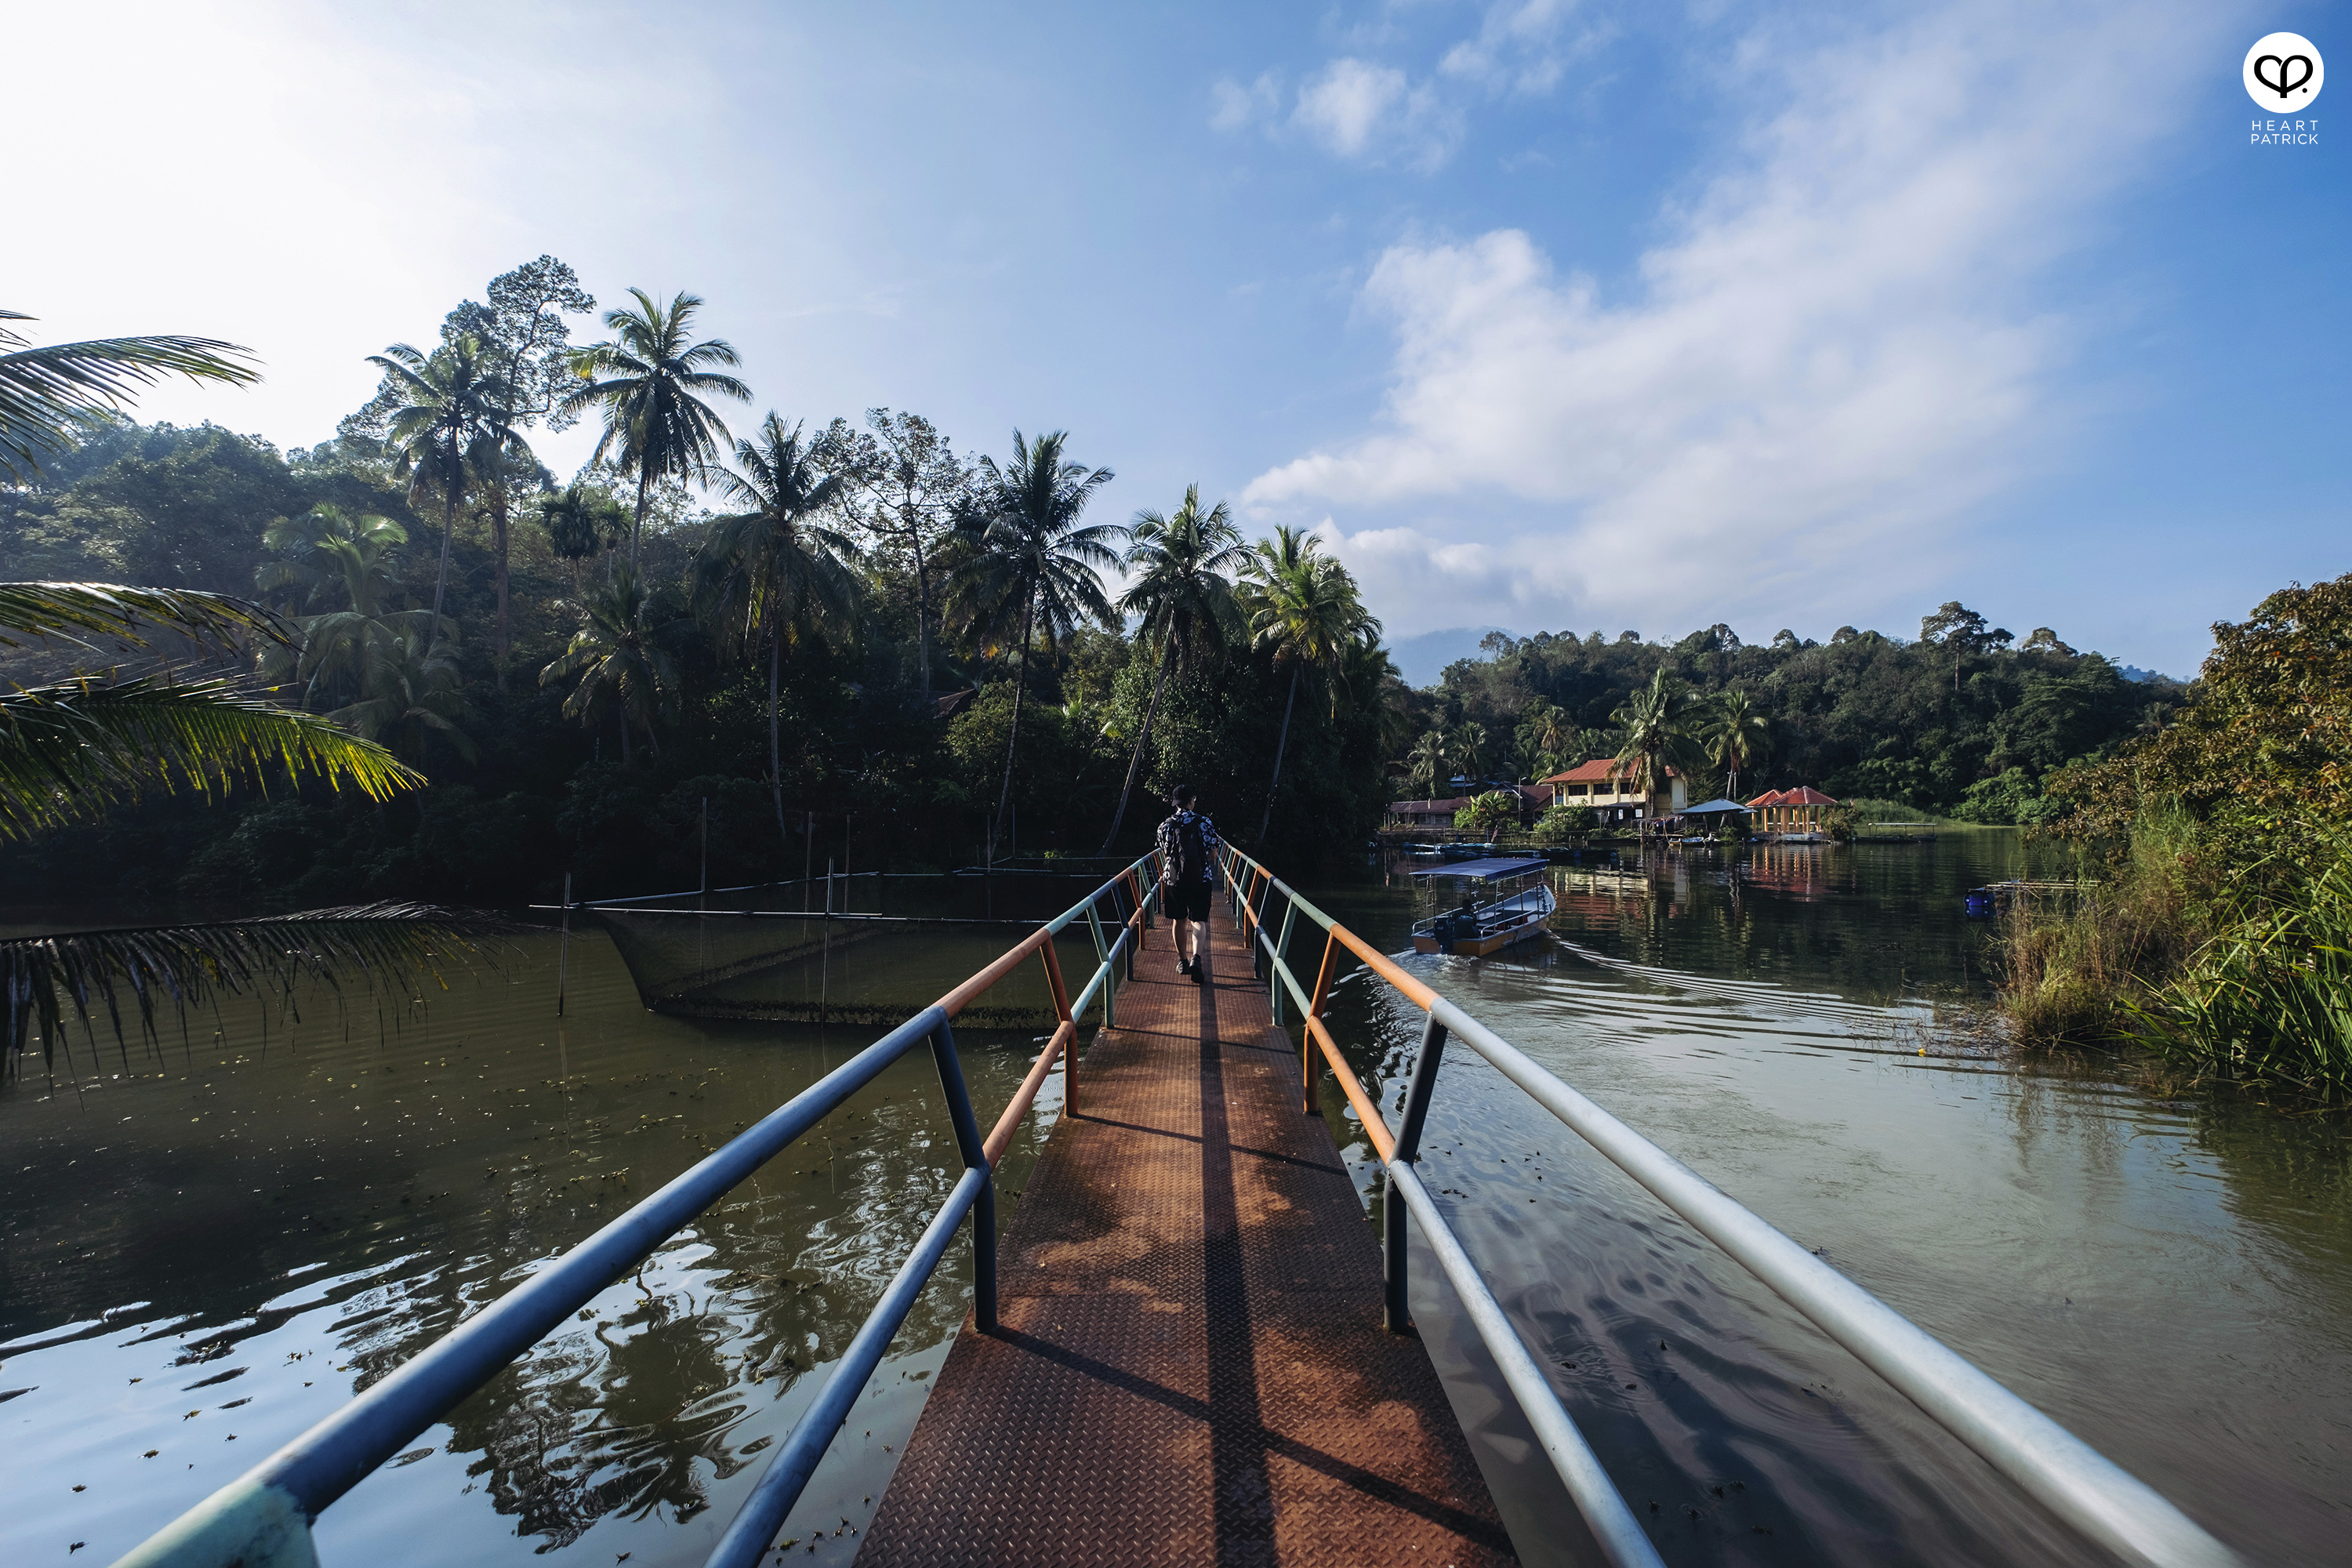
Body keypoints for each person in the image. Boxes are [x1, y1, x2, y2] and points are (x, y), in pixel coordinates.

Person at [1154, 784, 1221, 985]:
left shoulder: (1164, 826)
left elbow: (1166, 855)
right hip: (1201, 879)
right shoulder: (1205, 822)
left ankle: (1183, 962)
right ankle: (1196, 959)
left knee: (1179, 920)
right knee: (1199, 920)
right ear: (1192, 801)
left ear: (1175, 803)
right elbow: (1213, 854)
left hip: (1174, 880)